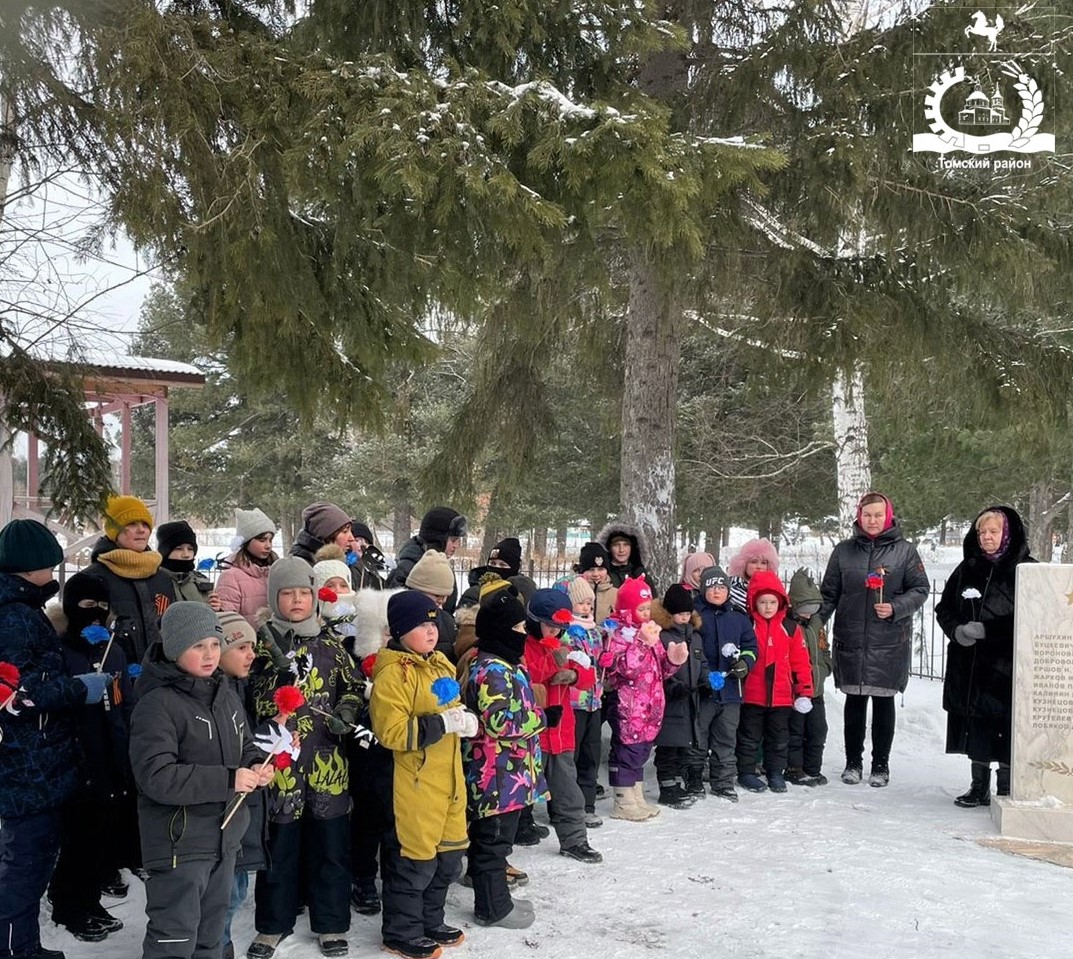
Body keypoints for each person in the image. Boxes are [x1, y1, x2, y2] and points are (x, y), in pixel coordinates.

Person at [129, 602, 273, 959]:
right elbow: (156, 776)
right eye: (198, 647)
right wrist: (229, 779)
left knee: (212, 934)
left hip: (224, 838)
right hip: (180, 841)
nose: (210, 655)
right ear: (175, 648)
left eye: (214, 644)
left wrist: (256, 765)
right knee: (175, 936)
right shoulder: (157, 704)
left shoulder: (222, 693)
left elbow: (246, 744)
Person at [0, 519, 111, 959]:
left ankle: (24, 945)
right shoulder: (12, 618)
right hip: (24, 767)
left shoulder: (22, 611)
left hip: (39, 762)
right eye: (50, 566)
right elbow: (15, 694)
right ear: (29, 570)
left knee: (33, 863)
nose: (54, 575)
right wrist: (78, 688)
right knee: (24, 867)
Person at [250, 557, 362, 959]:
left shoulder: (331, 643)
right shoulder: (263, 646)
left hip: (327, 765)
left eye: (304, 592)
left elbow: (352, 688)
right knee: (278, 848)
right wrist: (276, 684)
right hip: (279, 768)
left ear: (315, 596)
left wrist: (347, 711)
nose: (296, 600)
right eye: (287, 593)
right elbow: (253, 703)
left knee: (330, 847)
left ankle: (331, 923)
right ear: (274, 597)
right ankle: (272, 924)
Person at [370, 591, 473, 959]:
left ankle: (431, 920)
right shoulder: (393, 675)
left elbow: (451, 711)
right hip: (412, 785)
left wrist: (463, 721)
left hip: (448, 780)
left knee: (448, 857)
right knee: (414, 861)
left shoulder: (442, 663)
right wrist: (440, 723)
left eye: (433, 623)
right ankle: (401, 931)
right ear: (400, 630)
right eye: (419, 625)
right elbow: (393, 732)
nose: (430, 632)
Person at [47, 572, 136, 943]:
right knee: (78, 836)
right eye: (87, 606)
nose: (96, 615)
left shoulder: (113, 648)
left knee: (101, 833)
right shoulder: (60, 650)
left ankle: (89, 896)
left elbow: (122, 703)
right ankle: (69, 901)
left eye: (103, 607)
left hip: (110, 754)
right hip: (76, 756)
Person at [819, 491, 930, 788]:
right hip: (852, 636)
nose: (872, 520)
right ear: (859, 516)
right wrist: (813, 625)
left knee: (883, 702)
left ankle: (881, 764)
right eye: (867, 515)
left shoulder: (905, 551)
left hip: (888, 640)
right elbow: (829, 593)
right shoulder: (843, 551)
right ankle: (852, 762)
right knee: (854, 701)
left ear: (888, 516)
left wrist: (895, 607)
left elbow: (920, 589)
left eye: (878, 515)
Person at [461, 579, 546, 930]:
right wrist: (541, 716)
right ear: (499, 630)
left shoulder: (506, 663)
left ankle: (498, 899)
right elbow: (499, 721)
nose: (523, 633)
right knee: (491, 843)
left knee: (499, 841)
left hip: (510, 774)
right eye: (518, 627)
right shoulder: (492, 669)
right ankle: (492, 907)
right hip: (495, 775)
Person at [936, 506, 1035, 808]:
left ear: (1007, 534)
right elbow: (944, 609)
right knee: (977, 727)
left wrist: (988, 630)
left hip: (1007, 667)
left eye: (993, 532)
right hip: (971, 667)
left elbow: (1034, 616)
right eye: (982, 532)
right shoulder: (967, 568)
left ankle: (1006, 785)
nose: (987, 538)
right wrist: (957, 630)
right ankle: (979, 785)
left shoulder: (1026, 569)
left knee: (1006, 726)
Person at [522, 589, 602, 863]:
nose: (554, 632)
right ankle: (504, 844)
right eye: (549, 626)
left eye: (559, 628)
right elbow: (527, 677)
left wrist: (573, 673)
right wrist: (551, 666)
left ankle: (575, 840)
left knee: (569, 792)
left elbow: (589, 676)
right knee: (517, 794)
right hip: (531, 734)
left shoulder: (566, 645)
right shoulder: (523, 645)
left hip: (560, 733)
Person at [603, 576, 688, 820]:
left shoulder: (649, 629)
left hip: (650, 704)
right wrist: (640, 643)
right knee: (626, 750)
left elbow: (659, 669)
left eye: (648, 608)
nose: (645, 612)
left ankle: (636, 795)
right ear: (627, 608)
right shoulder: (618, 633)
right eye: (640, 608)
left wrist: (673, 659)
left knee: (641, 750)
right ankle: (623, 800)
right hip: (629, 705)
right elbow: (624, 668)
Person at [216, 611, 267, 959]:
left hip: (239, 810)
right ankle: (217, 947)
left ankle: (221, 945)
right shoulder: (216, 694)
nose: (251, 654)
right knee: (222, 894)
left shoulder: (239, 686)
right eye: (242, 647)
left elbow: (245, 742)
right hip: (217, 814)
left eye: (253, 646)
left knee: (234, 891)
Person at [735, 571, 814, 794]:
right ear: (754, 602)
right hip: (753, 694)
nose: (768, 607)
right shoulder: (748, 625)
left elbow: (801, 662)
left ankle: (775, 772)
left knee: (779, 738)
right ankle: (747, 771)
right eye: (762, 602)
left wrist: (803, 691)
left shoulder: (790, 628)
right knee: (749, 737)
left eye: (772, 602)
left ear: (780, 602)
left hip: (781, 696)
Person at [85, 495, 176, 664]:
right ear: (114, 531)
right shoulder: (91, 579)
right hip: (114, 677)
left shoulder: (163, 578)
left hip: (160, 678)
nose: (141, 530)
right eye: (131, 524)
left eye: (145, 524)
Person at [694, 566, 757, 803]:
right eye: (711, 587)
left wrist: (745, 664)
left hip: (731, 691)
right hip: (703, 691)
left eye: (722, 587)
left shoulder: (738, 618)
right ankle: (694, 778)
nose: (717, 592)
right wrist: (703, 674)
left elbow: (751, 647)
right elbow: (692, 650)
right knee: (699, 736)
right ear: (703, 590)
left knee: (726, 738)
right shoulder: (695, 616)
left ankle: (723, 781)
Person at [652, 583, 706, 808]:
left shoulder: (695, 637)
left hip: (690, 699)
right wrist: (672, 686)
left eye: (687, 614)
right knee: (668, 746)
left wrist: (707, 679)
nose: (684, 618)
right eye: (679, 614)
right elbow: (658, 667)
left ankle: (676, 782)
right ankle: (667, 786)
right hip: (671, 700)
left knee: (684, 745)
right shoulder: (663, 637)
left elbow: (701, 661)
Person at [563, 576, 606, 827]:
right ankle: (570, 805)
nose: (587, 608)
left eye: (590, 603)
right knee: (573, 755)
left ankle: (588, 804)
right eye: (581, 603)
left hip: (594, 701)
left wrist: (606, 660)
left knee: (591, 754)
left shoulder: (595, 632)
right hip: (575, 703)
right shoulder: (568, 632)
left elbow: (599, 661)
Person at [784, 568, 832, 786]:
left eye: (814, 608)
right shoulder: (789, 626)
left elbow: (823, 648)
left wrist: (826, 665)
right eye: (805, 607)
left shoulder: (816, 624)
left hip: (816, 688)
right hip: (795, 689)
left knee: (818, 729)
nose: (809, 612)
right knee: (796, 731)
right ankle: (794, 768)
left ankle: (813, 767)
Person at [388, 508, 467, 613]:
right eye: (453, 540)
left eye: (458, 540)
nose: (456, 545)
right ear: (437, 540)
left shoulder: (441, 564)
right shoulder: (408, 569)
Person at [215, 508, 278, 627]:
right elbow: (227, 621)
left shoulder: (276, 571)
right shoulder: (231, 577)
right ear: (246, 541)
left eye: (270, 540)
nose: (268, 546)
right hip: (248, 643)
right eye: (262, 540)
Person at [404, 550, 458, 661]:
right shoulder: (401, 619)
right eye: (437, 595)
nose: (442, 601)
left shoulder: (447, 621)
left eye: (446, 596)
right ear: (418, 590)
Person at [155, 520, 220, 607]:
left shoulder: (202, 581)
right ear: (165, 552)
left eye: (190, 549)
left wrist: (216, 608)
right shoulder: (154, 582)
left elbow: (211, 616)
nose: (186, 555)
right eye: (178, 549)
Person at [290, 502, 356, 566]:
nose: (352, 538)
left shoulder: (346, 561)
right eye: (345, 531)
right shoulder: (299, 567)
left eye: (351, 531)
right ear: (327, 536)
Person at [596, 521, 655, 591]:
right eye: (616, 545)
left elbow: (654, 599)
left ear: (632, 548)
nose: (621, 550)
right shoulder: (602, 574)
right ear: (609, 548)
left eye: (626, 545)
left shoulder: (640, 573)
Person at [727, 538, 779, 613]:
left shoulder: (774, 588)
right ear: (743, 564)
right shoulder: (730, 589)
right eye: (754, 562)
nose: (759, 566)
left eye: (763, 563)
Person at [573, 542, 617, 624]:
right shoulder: (574, 592)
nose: (596, 574)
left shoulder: (616, 594)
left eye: (601, 569)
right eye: (591, 569)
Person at [348, 521, 390, 591]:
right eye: (357, 540)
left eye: (366, 542)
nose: (362, 545)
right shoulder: (345, 565)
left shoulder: (375, 567)